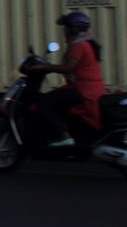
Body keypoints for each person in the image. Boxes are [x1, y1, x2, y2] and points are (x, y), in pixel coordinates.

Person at [31, 12, 106, 147]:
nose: (64, 32)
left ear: (73, 29)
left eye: (66, 28)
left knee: (43, 101)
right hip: (90, 88)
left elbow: (67, 68)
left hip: (84, 90)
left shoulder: (78, 46)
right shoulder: (87, 43)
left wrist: (45, 67)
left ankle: (65, 136)